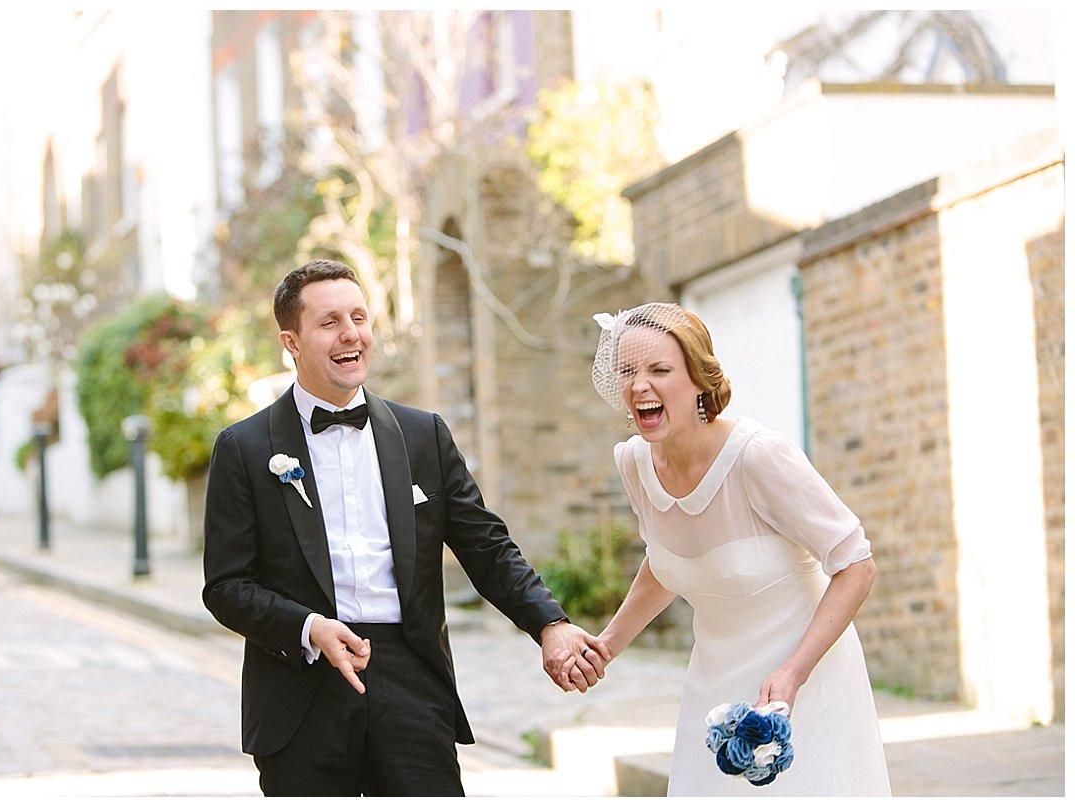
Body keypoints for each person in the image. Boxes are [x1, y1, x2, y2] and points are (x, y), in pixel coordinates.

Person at [202, 258, 609, 797]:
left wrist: (549, 623)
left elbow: (486, 546)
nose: (351, 334)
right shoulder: (244, 448)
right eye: (329, 323)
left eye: (359, 317)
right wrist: (308, 628)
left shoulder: (424, 436)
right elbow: (226, 586)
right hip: (301, 689)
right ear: (291, 342)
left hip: (411, 681)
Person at [548, 302, 891, 796]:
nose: (639, 385)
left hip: (802, 679)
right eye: (627, 371)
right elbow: (664, 562)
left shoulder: (758, 456)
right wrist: (608, 645)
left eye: (660, 370)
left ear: (698, 379)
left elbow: (856, 564)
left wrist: (793, 674)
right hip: (713, 682)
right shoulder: (633, 462)